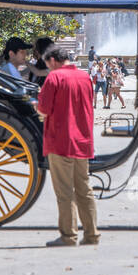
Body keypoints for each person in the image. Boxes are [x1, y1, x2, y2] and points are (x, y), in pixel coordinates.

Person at [36, 45, 99, 246]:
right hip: (82, 141)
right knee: (84, 189)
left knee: (65, 192)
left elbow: (44, 109)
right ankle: (91, 234)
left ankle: (68, 235)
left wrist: (35, 107)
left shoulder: (54, 78)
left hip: (60, 140)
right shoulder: (85, 77)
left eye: (48, 65)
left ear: (53, 60)